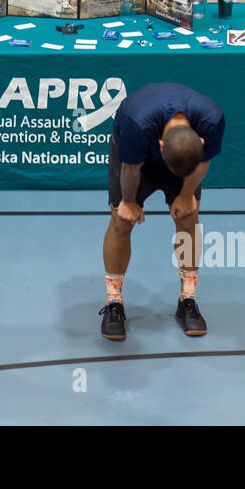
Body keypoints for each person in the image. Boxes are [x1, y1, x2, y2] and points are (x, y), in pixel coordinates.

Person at [100, 82, 225, 340]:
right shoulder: (137, 125)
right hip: (135, 160)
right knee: (121, 221)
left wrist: (186, 194)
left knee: (189, 217)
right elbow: (131, 169)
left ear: (200, 139)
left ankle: (187, 299)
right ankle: (114, 302)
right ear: (158, 146)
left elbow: (203, 161)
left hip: (180, 154)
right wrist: (130, 202)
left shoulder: (211, 120)